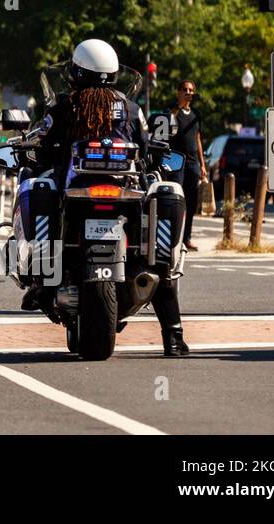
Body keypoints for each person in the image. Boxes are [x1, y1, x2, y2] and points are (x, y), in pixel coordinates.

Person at [32, 38, 189, 356]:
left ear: (76, 72)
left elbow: (43, 144)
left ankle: (39, 279)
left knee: (38, 192)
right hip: (124, 193)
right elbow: (146, 147)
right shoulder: (131, 109)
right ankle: (173, 337)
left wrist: (30, 147)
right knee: (156, 261)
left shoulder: (67, 107)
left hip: (74, 194)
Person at [167, 80, 207, 251]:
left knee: (191, 202)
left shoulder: (196, 114)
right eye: (184, 89)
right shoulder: (171, 111)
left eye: (191, 90)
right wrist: (179, 105)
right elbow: (165, 132)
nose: (188, 92)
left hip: (192, 162)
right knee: (176, 200)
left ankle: (186, 238)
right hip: (176, 160)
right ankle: (171, 237)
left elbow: (197, 139)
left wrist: (202, 164)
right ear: (178, 92)